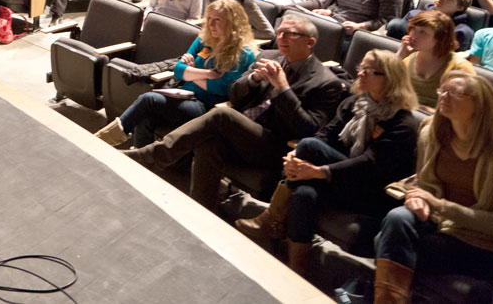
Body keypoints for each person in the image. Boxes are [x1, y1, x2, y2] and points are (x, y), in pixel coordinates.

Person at [126, 15, 347, 214]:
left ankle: (152, 155)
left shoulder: (326, 82)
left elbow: (308, 129)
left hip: (273, 145)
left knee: (222, 115)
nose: (281, 37)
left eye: (290, 33)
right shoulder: (268, 55)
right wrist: (253, 80)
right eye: (279, 31)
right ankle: (201, 212)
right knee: (210, 142)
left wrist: (283, 89)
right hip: (242, 131)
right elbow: (234, 93)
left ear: (310, 42)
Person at [235, 50, 419, 277]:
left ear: (390, 79)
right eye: (361, 68)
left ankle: (272, 218)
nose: (360, 73)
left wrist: (320, 171)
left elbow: (370, 164)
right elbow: (327, 134)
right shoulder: (355, 104)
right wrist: (297, 161)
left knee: (310, 146)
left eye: (370, 71)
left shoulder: (402, 122)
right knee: (304, 191)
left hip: (370, 192)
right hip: (340, 180)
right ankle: (297, 268)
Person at [371, 72, 493, 303]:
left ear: (480, 104)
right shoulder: (432, 134)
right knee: (397, 219)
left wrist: (440, 206)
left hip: (485, 244)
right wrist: (416, 199)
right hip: (442, 228)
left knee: (386, 242)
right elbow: (423, 184)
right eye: (442, 91)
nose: (444, 97)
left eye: (456, 93)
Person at [95, 0, 256, 148]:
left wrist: (191, 72)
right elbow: (178, 71)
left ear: (232, 23)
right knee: (146, 116)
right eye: (209, 18)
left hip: (206, 107)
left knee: (148, 99)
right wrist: (207, 73)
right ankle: (139, 156)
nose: (211, 24)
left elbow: (220, 88)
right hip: (183, 94)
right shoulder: (203, 40)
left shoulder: (242, 54)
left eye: (217, 20)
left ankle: (106, 138)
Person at [397, 10, 477, 112]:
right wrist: (399, 57)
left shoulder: (459, 68)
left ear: (440, 38)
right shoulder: (406, 59)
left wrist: (428, 112)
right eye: (413, 29)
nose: (413, 36)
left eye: (422, 32)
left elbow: (468, 111)